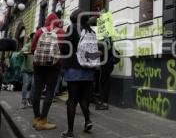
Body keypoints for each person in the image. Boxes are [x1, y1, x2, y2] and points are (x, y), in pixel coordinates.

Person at [60, 10, 96, 138]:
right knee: (84, 99)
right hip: (88, 70)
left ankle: (70, 131)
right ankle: (87, 121)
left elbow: (64, 48)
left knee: (72, 100)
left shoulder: (72, 28)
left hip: (74, 69)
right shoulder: (91, 31)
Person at [31, 13, 65, 131]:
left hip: (38, 65)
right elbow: (64, 51)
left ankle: (36, 118)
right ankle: (43, 120)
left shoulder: (40, 31)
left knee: (37, 90)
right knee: (50, 92)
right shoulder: (61, 32)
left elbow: (33, 48)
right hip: (53, 66)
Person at [95, 37, 120, 110]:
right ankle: (102, 101)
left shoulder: (105, 46)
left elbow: (99, 55)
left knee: (104, 85)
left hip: (106, 67)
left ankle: (104, 103)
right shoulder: (107, 46)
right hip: (105, 67)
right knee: (102, 84)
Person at [20, 33, 35, 109]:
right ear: (32, 38)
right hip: (26, 69)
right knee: (25, 85)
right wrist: (29, 52)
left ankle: (30, 100)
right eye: (35, 37)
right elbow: (22, 52)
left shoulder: (38, 46)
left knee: (34, 85)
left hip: (34, 70)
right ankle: (23, 102)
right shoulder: (28, 45)